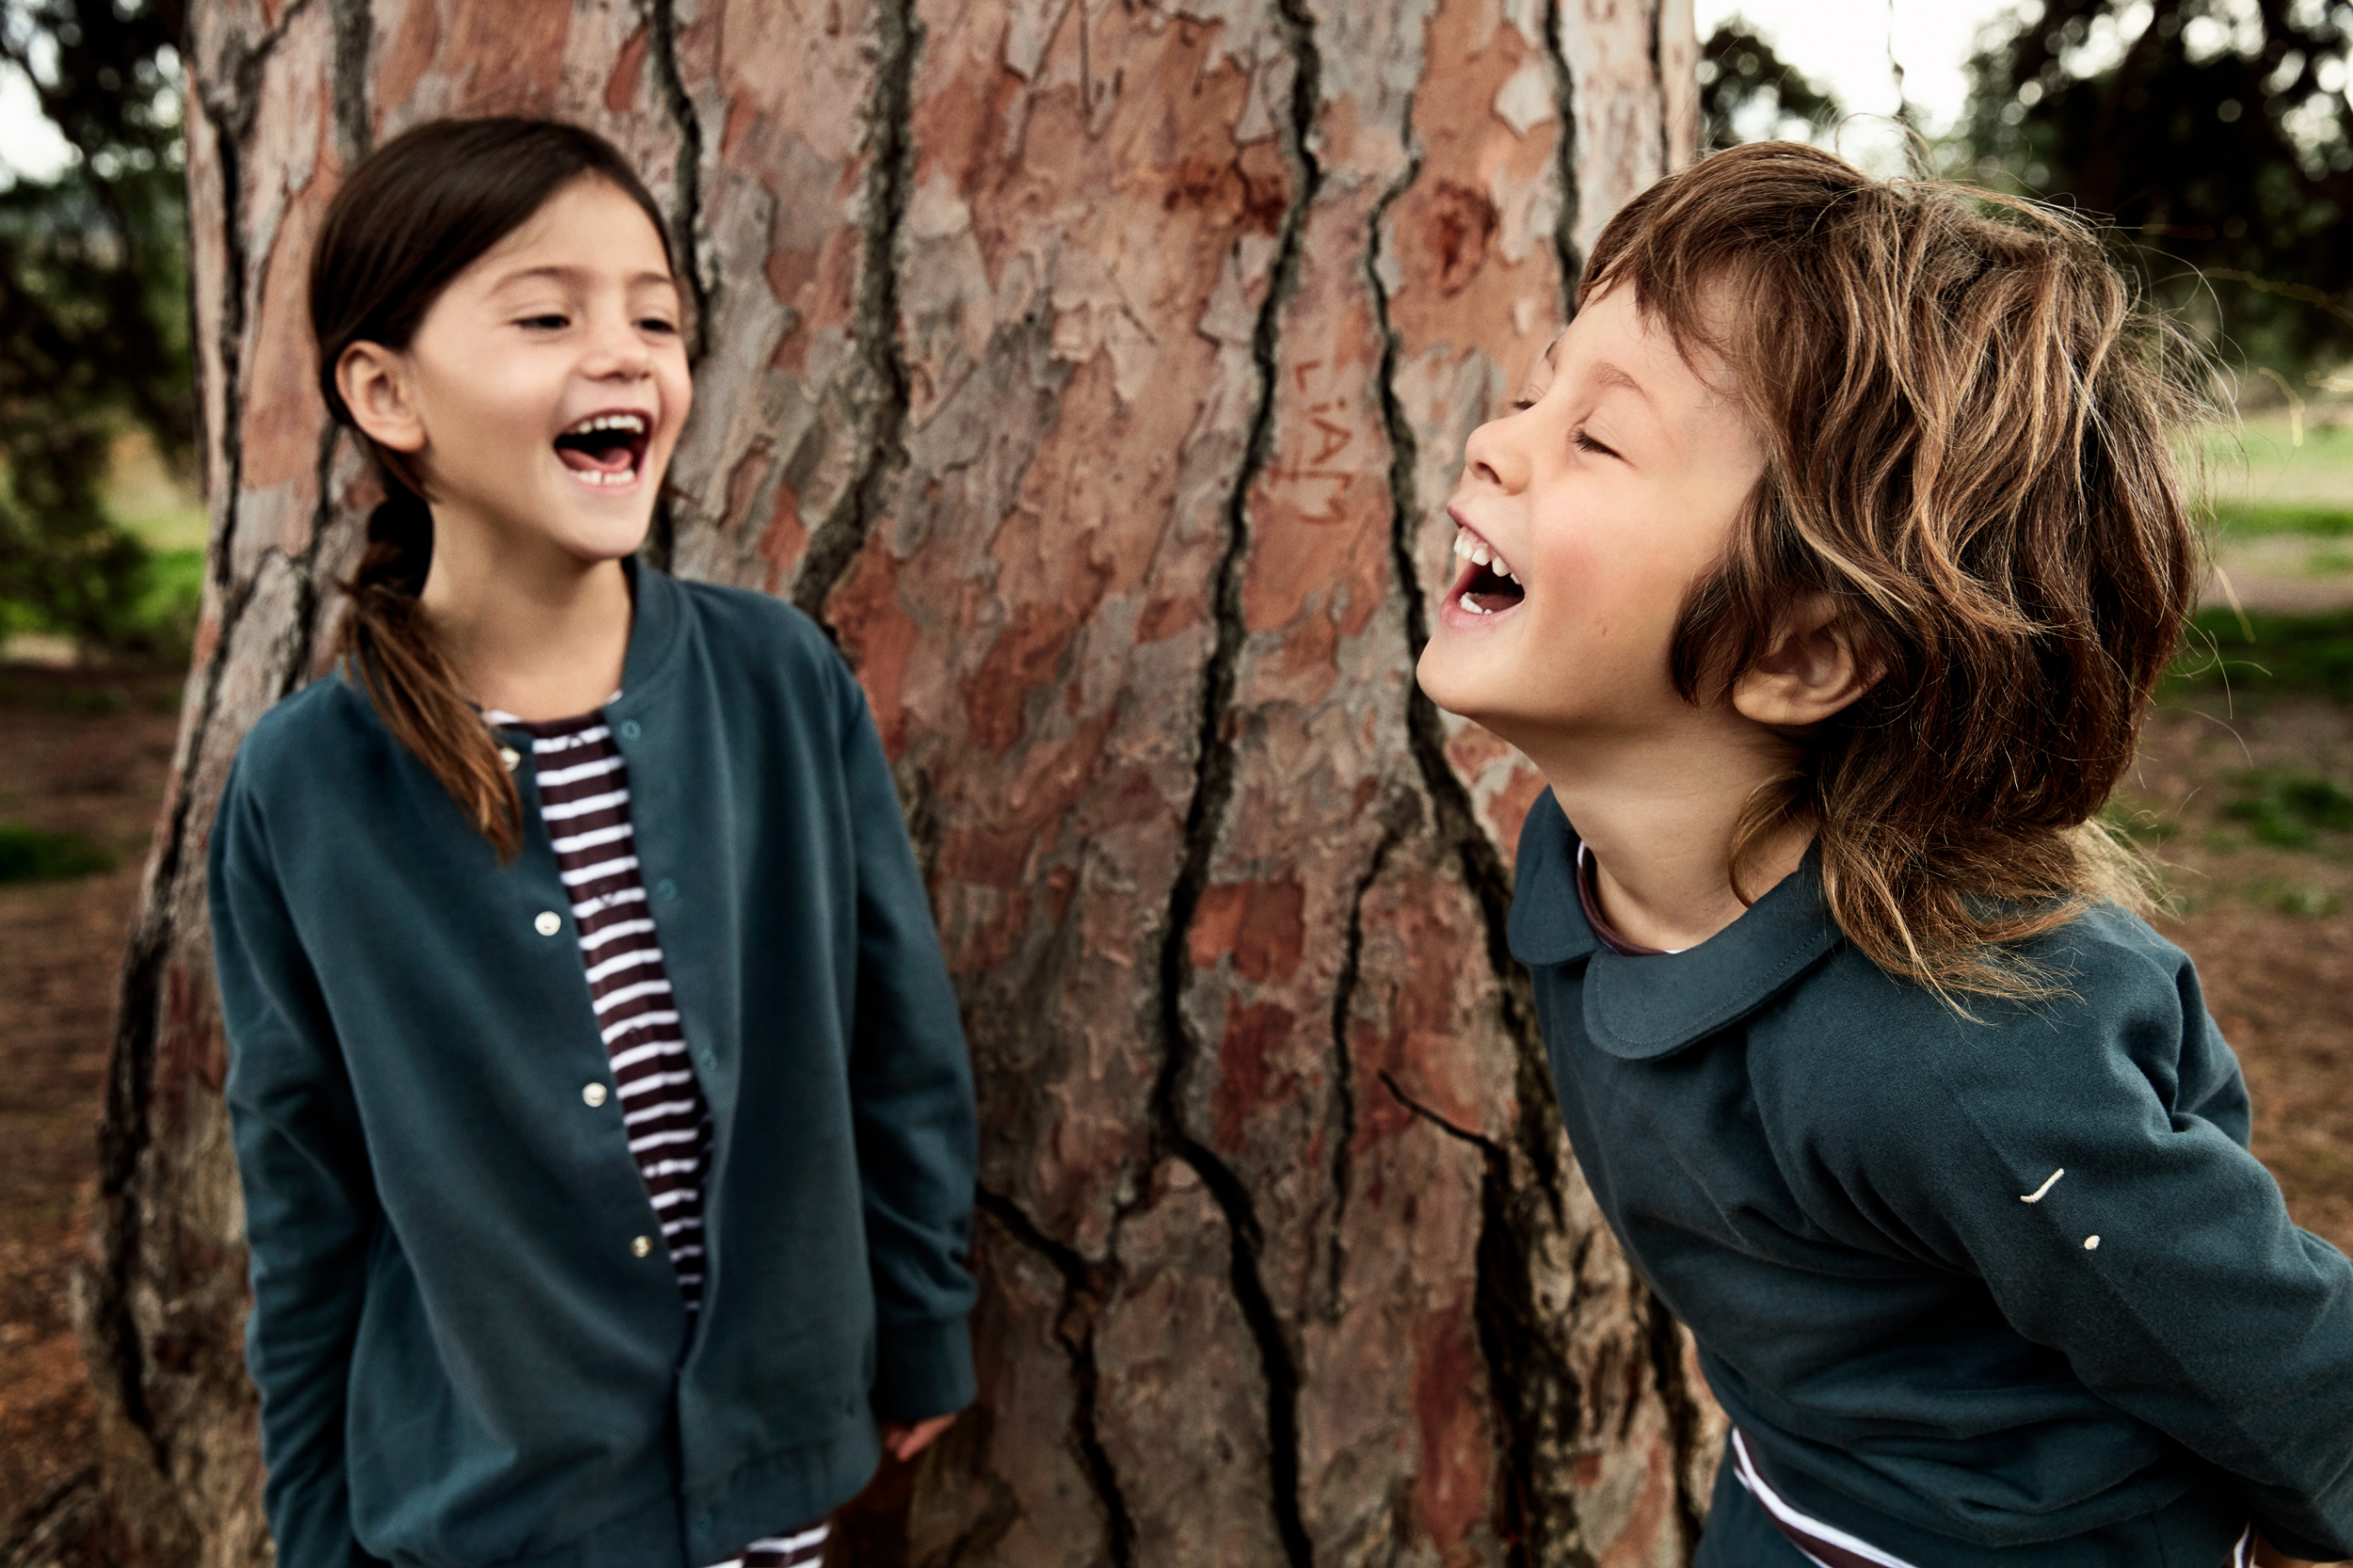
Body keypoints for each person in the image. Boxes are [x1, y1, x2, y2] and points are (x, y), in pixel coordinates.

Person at [1418, 140, 2353, 1568]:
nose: (1498, 435)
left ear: (1801, 649)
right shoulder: (1574, 866)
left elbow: (2265, 1352)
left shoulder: (1961, 1050)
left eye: (1597, 438)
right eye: (1542, 391)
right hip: (1793, 1500)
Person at [210, 117, 977, 1568]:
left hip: (778, 1468)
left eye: (657, 318)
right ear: (385, 391)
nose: (625, 352)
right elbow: (300, 1192)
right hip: (497, 1515)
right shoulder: (300, 789)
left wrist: (924, 1325)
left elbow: (899, 1037)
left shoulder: (780, 681)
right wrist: (311, 1527)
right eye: (548, 315)